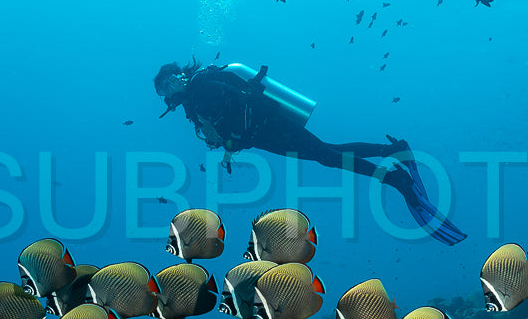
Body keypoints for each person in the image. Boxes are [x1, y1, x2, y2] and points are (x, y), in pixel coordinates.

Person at [155, 61, 466, 245]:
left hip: (269, 125)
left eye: (170, 81)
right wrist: (228, 146)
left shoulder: (202, 86)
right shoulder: (193, 103)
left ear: (180, 74)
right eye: (164, 90)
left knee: (327, 155)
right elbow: (224, 125)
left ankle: (395, 178)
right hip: (265, 134)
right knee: (327, 153)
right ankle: (392, 154)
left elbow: (238, 105)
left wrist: (233, 141)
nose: (170, 90)